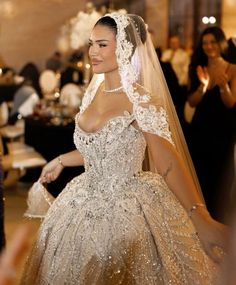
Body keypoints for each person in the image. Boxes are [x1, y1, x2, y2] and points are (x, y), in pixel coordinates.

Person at [20, 13, 227, 284]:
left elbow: (168, 163)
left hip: (128, 209)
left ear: (125, 47)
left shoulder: (140, 100)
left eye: (102, 44)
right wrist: (60, 160)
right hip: (80, 202)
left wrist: (202, 219)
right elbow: (100, 150)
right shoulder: (92, 94)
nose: (93, 52)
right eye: (91, 43)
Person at [187, 27, 236, 221]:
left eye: (213, 42)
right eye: (205, 43)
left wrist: (223, 86)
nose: (208, 46)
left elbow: (231, 103)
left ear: (221, 43)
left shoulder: (233, 68)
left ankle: (218, 219)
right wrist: (203, 86)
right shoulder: (198, 67)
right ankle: (200, 218)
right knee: (198, 171)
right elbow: (191, 102)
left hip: (223, 128)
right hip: (201, 127)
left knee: (220, 173)